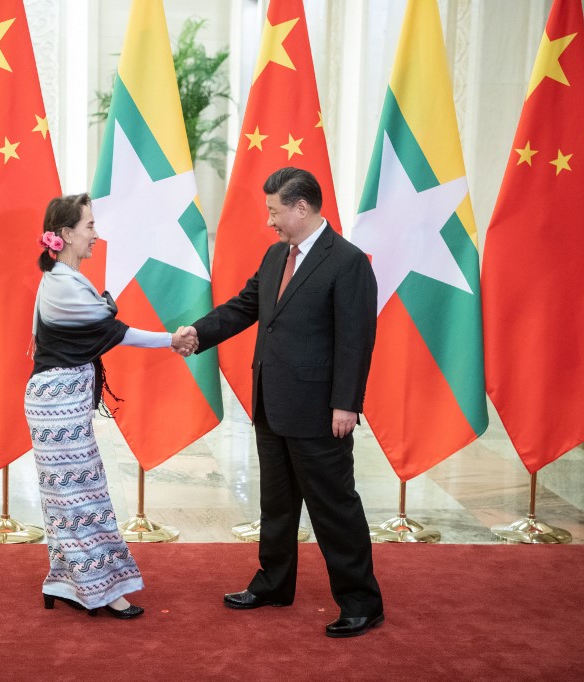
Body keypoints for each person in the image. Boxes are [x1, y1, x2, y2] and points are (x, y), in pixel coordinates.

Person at [179, 167, 384, 638]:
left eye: (274, 210)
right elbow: (244, 307)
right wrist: (198, 333)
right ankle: (273, 583)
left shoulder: (348, 262)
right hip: (272, 404)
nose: (269, 220)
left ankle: (361, 601)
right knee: (276, 505)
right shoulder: (276, 256)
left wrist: (346, 404)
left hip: (319, 411)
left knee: (334, 507)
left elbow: (356, 340)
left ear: (301, 207)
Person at [27, 192, 195, 620]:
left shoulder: (62, 280)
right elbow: (115, 331)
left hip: (61, 402)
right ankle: (101, 589)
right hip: (57, 405)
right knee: (81, 496)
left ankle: (67, 581)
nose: (95, 235)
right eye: (89, 227)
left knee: (69, 497)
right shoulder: (64, 284)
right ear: (64, 235)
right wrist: (171, 341)